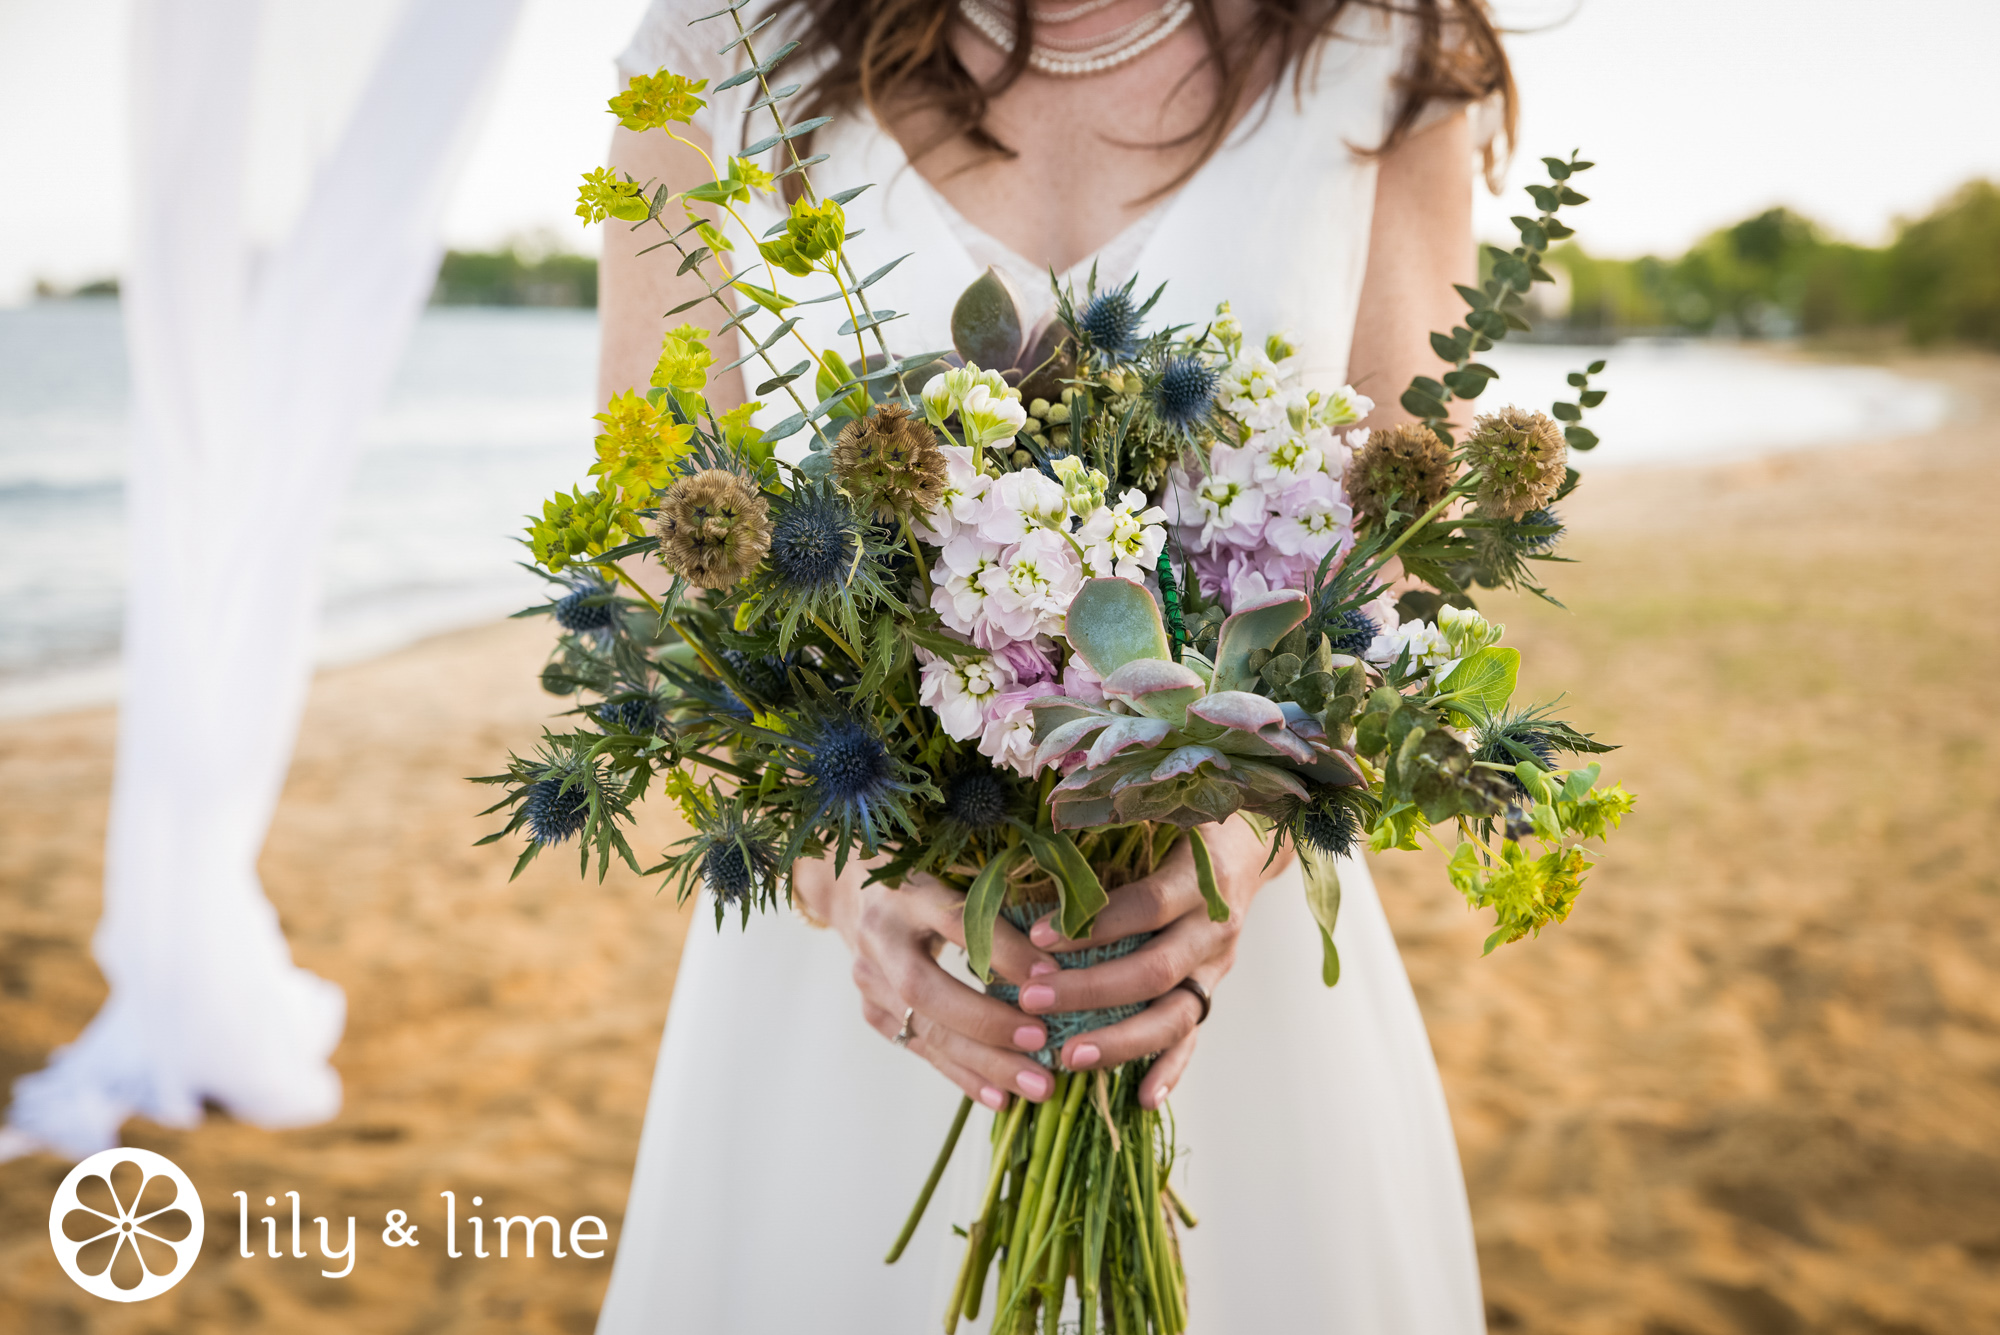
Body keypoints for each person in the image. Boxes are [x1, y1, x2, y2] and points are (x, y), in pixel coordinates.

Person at [594, 2, 1512, 1329]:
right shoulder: (715, 42)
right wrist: (839, 875)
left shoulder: (1390, 44)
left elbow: (1407, 535)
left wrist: (1243, 831)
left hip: (1216, 950)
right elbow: (666, 541)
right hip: (862, 953)